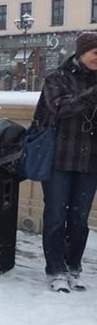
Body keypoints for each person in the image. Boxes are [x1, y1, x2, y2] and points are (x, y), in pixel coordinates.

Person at [37, 31, 97, 292]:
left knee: (79, 219)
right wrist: (91, 95)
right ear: (82, 52)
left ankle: (73, 266)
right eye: (96, 53)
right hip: (59, 159)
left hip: (90, 161)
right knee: (55, 216)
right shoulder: (57, 78)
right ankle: (55, 269)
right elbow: (59, 108)